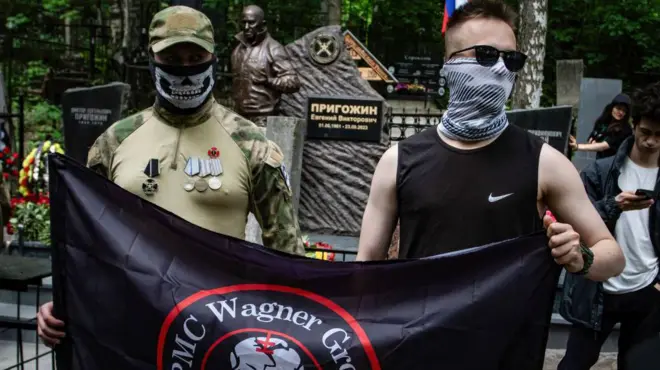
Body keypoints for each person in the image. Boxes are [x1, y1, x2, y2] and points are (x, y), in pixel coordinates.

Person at [37, 5, 305, 347]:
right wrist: (59, 304)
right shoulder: (114, 142)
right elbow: (84, 242)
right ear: (152, 60)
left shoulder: (249, 142)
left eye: (195, 57)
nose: (185, 69)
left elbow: (288, 250)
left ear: (213, 58)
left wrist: (299, 327)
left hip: (216, 333)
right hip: (131, 327)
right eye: (172, 60)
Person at [558, 82, 660, 370]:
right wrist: (613, 205)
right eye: (646, 133)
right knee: (575, 363)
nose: (651, 141)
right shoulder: (600, 172)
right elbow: (575, 223)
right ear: (635, 125)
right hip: (598, 289)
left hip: (646, 289)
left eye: (659, 136)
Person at [231, 4, 300, 126]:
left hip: (263, 120)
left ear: (262, 24)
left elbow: (293, 82)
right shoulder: (238, 50)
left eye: (251, 22)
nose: (246, 27)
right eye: (244, 22)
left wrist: (269, 81)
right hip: (238, 118)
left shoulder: (274, 49)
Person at [569, 94, 632, 159]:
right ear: (612, 107)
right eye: (618, 108)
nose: (621, 112)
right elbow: (592, 138)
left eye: (624, 111)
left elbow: (604, 146)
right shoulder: (604, 121)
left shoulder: (625, 129)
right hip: (601, 160)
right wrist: (594, 140)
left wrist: (577, 146)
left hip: (614, 163)